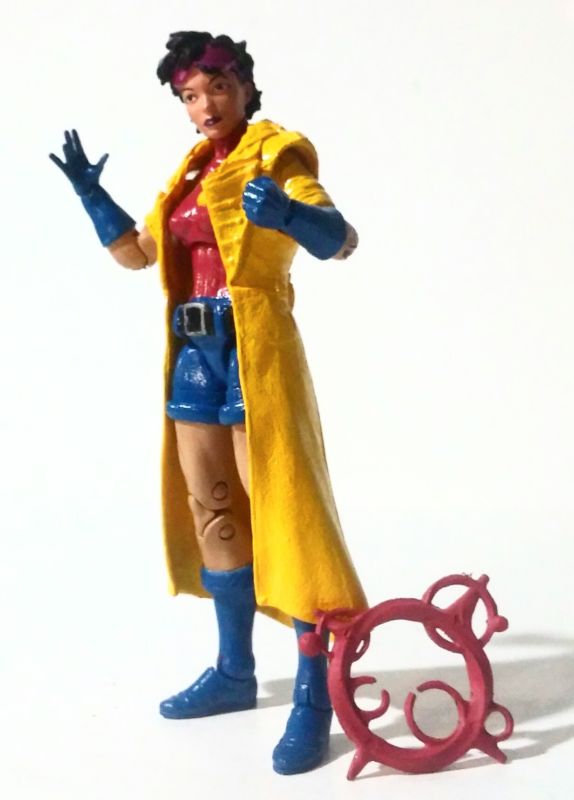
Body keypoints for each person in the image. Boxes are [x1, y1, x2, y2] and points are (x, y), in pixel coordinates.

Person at [50, 30, 366, 775]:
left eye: (217, 87)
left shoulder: (277, 154)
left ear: (246, 87)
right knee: (214, 511)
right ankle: (234, 670)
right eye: (190, 95)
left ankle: (316, 692)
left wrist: (286, 214)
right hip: (195, 357)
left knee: (284, 512)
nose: (206, 105)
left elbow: (341, 240)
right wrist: (93, 197)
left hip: (254, 350)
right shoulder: (191, 171)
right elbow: (137, 255)